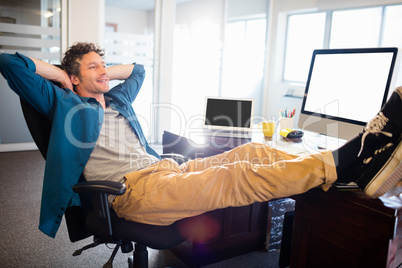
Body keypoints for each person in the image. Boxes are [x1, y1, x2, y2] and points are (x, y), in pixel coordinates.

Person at [0, 42, 401, 239]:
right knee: (236, 176)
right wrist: (63, 76)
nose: (106, 71)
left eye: (105, 65)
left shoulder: (117, 97)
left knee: (254, 150)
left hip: (166, 170)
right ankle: (348, 159)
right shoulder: (64, 103)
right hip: (132, 191)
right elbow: (10, 64)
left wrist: (99, 72)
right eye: (95, 67)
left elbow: (137, 70)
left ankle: (349, 170)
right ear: (72, 77)